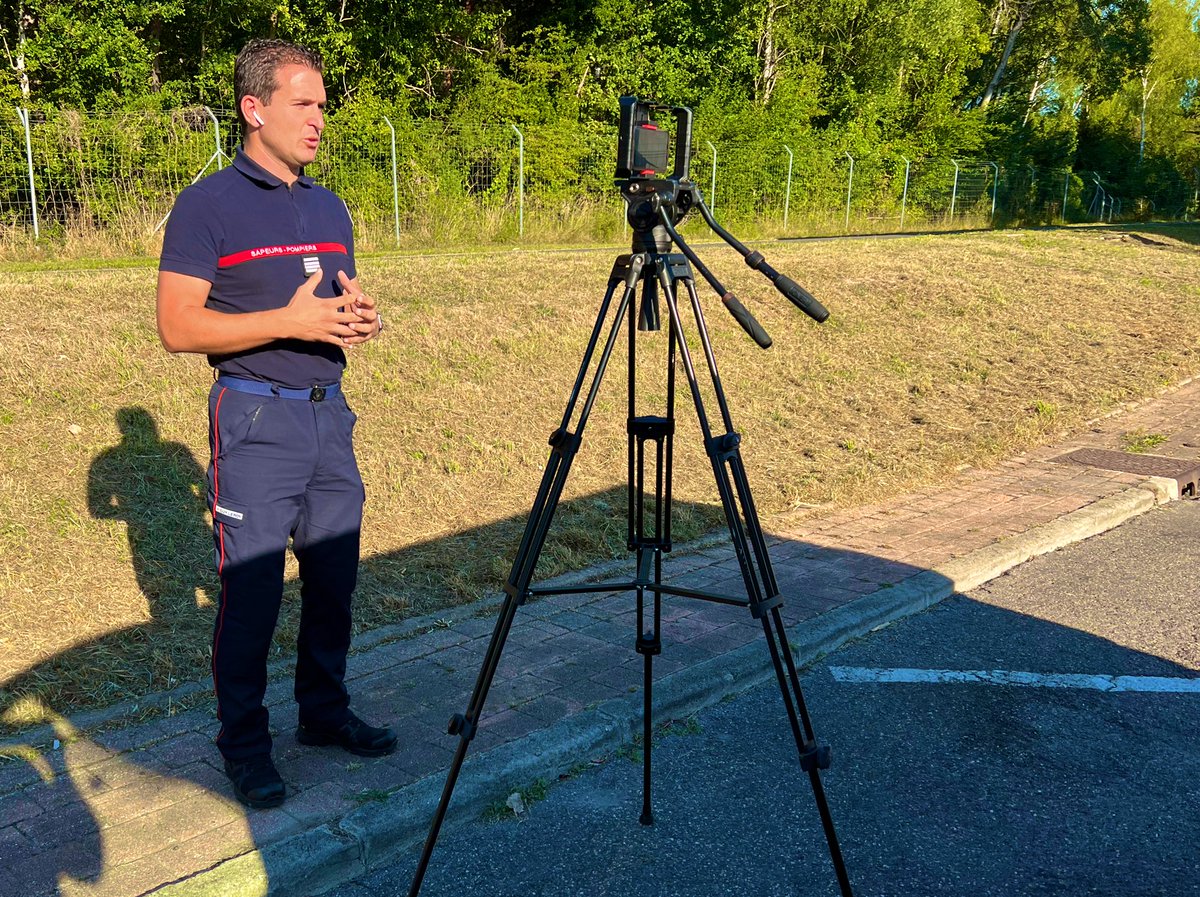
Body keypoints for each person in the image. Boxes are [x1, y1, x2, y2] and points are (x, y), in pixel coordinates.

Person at [156, 38, 395, 810]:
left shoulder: (329, 205)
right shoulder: (208, 204)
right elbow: (178, 326)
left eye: (323, 104)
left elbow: (330, 307)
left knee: (334, 583)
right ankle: (246, 746)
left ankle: (323, 714)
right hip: (256, 419)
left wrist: (358, 319)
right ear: (254, 109)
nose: (319, 118)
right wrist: (282, 320)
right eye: (304, 103)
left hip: (331, 417)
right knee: (252, 596)